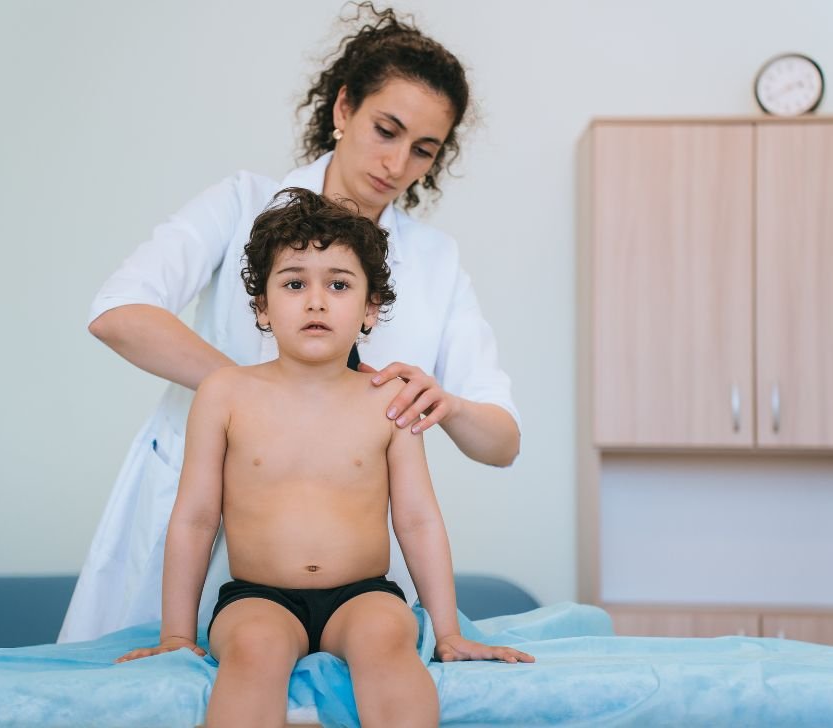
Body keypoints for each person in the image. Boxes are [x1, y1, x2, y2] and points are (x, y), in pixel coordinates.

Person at [59, 3, 521, 644]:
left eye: (423, 150)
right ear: (342, 110)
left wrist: (450, 406)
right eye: (385, 129)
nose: (397, 164)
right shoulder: (243, 204)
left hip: (352, 585)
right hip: (198, 535)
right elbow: (118, 314)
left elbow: (501, 442)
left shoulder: (436, 263)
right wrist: (257, 395)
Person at [115, 188, 533, 728]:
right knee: (255, 649)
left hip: (364, 595)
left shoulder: (389, 398)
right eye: (294, 284)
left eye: (338, 285)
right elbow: (195, 519)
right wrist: (175, 634)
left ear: (369, 310)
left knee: (387, 639)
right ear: (263, 308)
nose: (316, 301)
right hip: (256, 597)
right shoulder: (225, 393)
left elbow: (418, 518)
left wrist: (448, 633)